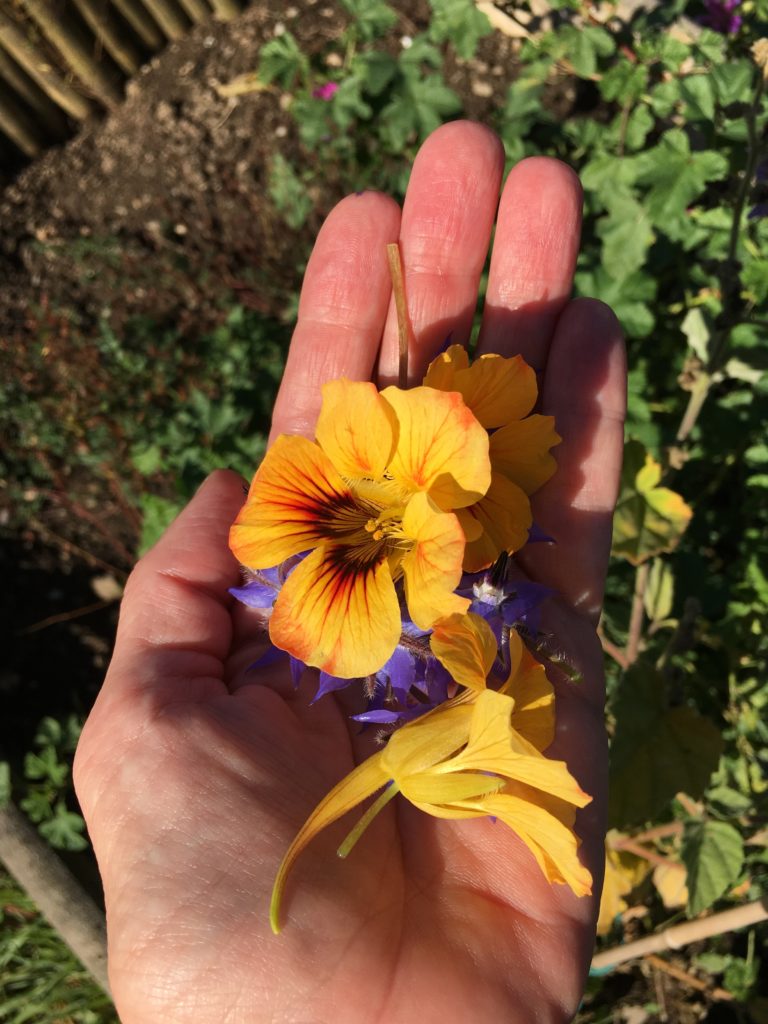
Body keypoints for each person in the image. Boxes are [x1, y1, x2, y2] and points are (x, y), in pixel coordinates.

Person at [74, 120, 626, 1024]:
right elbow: (329, 532)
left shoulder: (388, 518)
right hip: (406, 526)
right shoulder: (381, 536)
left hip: (408, 516)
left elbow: (338, 523)